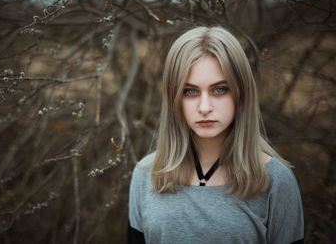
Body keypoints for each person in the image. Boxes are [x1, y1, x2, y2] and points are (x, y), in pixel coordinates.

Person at [127, 26, 304, 244]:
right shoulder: (146, 174)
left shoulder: (276, 180)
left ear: (241, 93)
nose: (204, 107)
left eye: (220, 89)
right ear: (174, 98)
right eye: (190, 91)